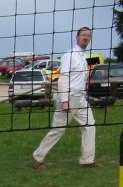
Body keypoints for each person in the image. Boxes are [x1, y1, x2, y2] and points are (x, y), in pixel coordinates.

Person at [32, 27, 100, 169]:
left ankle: (87, 160)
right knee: (58, 129)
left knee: (90, 126)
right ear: (77, 37)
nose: (86, 38)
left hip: (81, 98)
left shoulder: (83, 57)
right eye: (83, 35)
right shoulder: (70, 55)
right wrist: (64, 100)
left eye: (88, 35)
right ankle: (37, 157)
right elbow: (63, 79)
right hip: (69, 97)